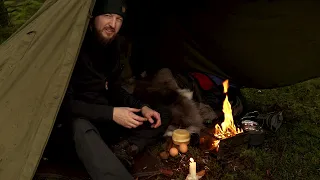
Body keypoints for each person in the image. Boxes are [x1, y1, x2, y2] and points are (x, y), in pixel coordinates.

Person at [61, 0, 172, 179]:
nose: (113, 24)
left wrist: (142, 106)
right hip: (82, 126)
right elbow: (66, 106)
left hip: (108, 124)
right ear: (92, 19)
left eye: (118, 19)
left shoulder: (113, 48)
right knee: (80, 126)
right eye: (107, 16)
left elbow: (114, 90)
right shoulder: (73, 52)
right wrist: (112, 113)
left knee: (161, 113)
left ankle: (126, 149)